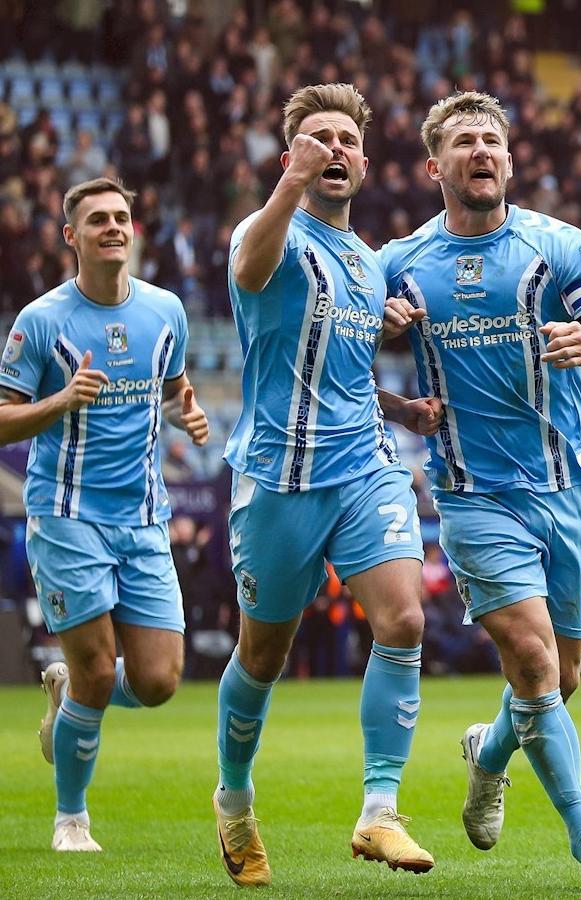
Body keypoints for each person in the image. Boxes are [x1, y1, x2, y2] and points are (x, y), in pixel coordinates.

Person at [378, 90, 581, 893]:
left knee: (560, 678)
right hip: (471, 492)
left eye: (492, 141)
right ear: (435, 165)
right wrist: (395, 395)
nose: (481, 152)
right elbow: (333, 368)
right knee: (530, 661)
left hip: (564, 487)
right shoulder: (398, 263)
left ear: (511, 160)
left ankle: (488, 754)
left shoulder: (556, 244)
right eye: (464, 142)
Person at [213, 83, 444, 887]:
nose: (333, 149)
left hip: (364, 467)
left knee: (404, 619)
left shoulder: (369, 264)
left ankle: (380, 810)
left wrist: (401, 410)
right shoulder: (268, 230)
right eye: (317, 139)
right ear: (291, 157)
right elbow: (250, 271)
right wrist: (290, 183)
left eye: (346, 139)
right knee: (263, 655)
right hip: (278, 476)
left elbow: (340, 378)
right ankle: (234, 798)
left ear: (366, 163)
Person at [0, 177, 210, 852]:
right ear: (72, 237)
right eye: (98, 220)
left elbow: (173, 385)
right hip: (67, 516)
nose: (114, 227)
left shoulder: (165, 310)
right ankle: (71, 819)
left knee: (158, 681)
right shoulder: (41, 321)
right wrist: (61, 401)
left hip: (144, 517)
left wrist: (187, 412)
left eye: (122, 217)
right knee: (96, 672)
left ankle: (68, 696)